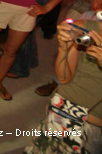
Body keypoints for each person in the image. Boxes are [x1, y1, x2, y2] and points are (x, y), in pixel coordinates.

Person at [24, 10, 102, 154]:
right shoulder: (84, 27)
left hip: (94, 127)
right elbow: (63, 79)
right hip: (61, 110)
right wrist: (62, 48)